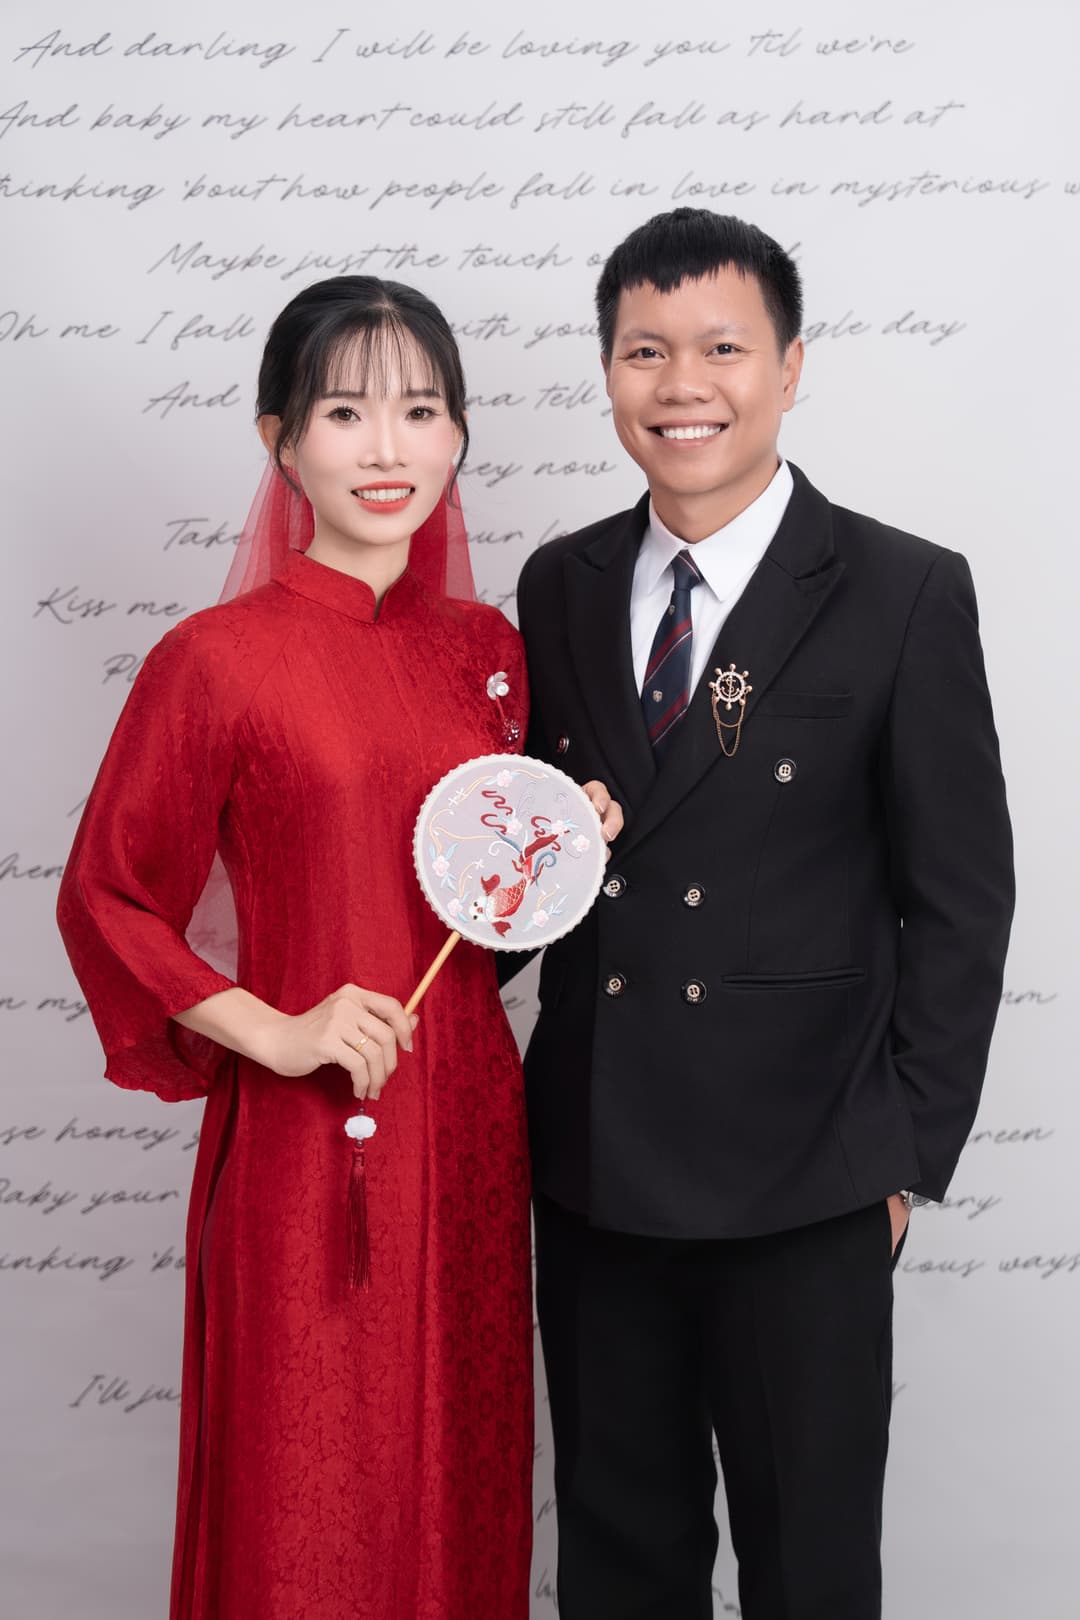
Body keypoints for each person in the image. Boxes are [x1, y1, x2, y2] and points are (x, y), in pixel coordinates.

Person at [57, 275, 621, 1620]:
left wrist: (565, 842)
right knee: (310, 1497)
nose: (387, 449)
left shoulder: (492, 654)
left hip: (474, 1132)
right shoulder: (215, 661)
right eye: (346, 412)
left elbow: (490, 905)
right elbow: (105, 893)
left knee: (461, 1483)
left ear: (458, 438)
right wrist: (280, 1028)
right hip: (314, 1143)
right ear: (278, 439)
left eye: (421, 412)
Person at [514, 210, 1014, 1620]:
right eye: (645, 351)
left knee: (809, 1568)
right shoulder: (558, 584)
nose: (684, 384)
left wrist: (903, 1158)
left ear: (791, 366)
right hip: (599, 1162)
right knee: (621, 1557)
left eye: (723, 347)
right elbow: (541, 856)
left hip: (811, 1174)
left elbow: (962, 899)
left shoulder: (903, 587)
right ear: (608, 371)